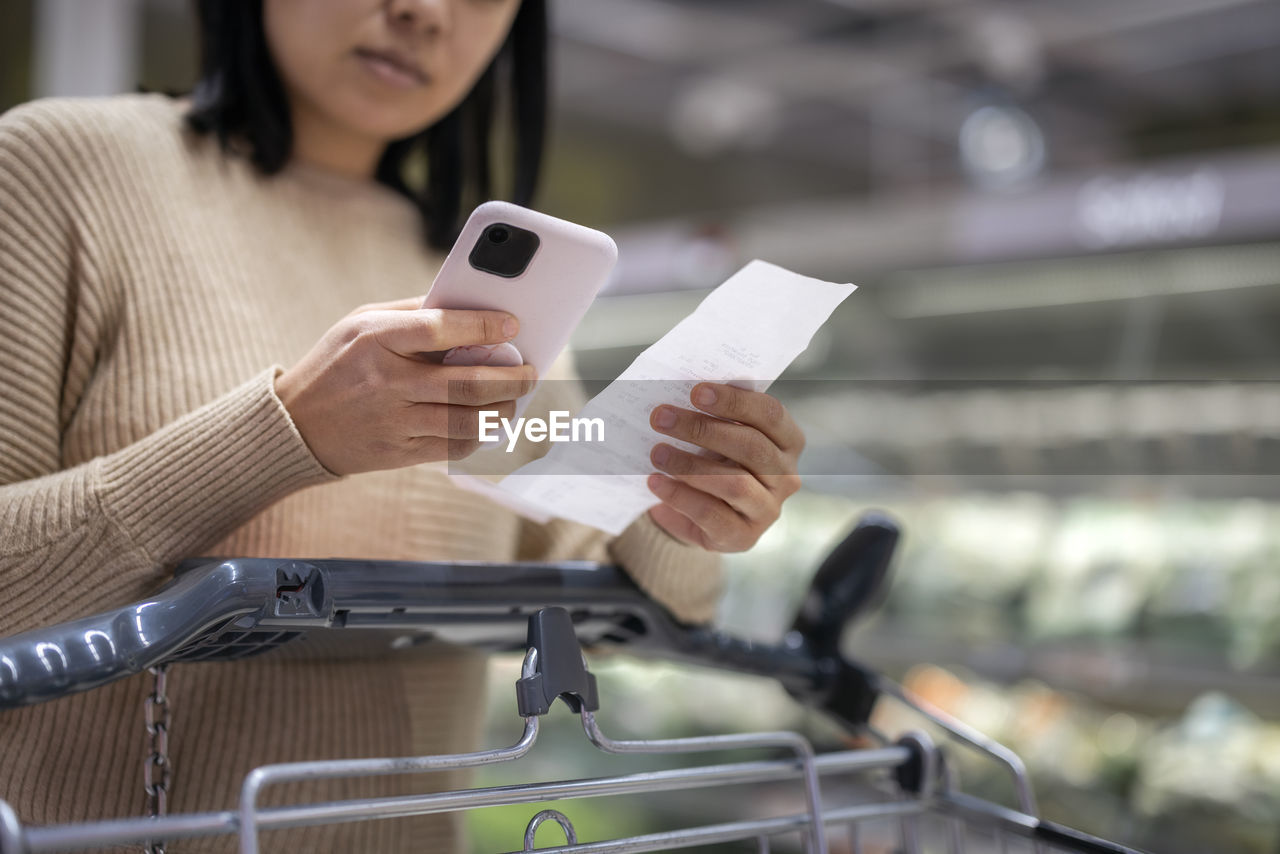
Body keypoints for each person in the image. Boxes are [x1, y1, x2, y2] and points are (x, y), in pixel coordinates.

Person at [0, 0, 805, 850]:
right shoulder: (64, 169)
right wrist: (285, 435)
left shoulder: (490, 292)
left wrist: (691, 507)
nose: (425, 12)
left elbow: (620, 595)